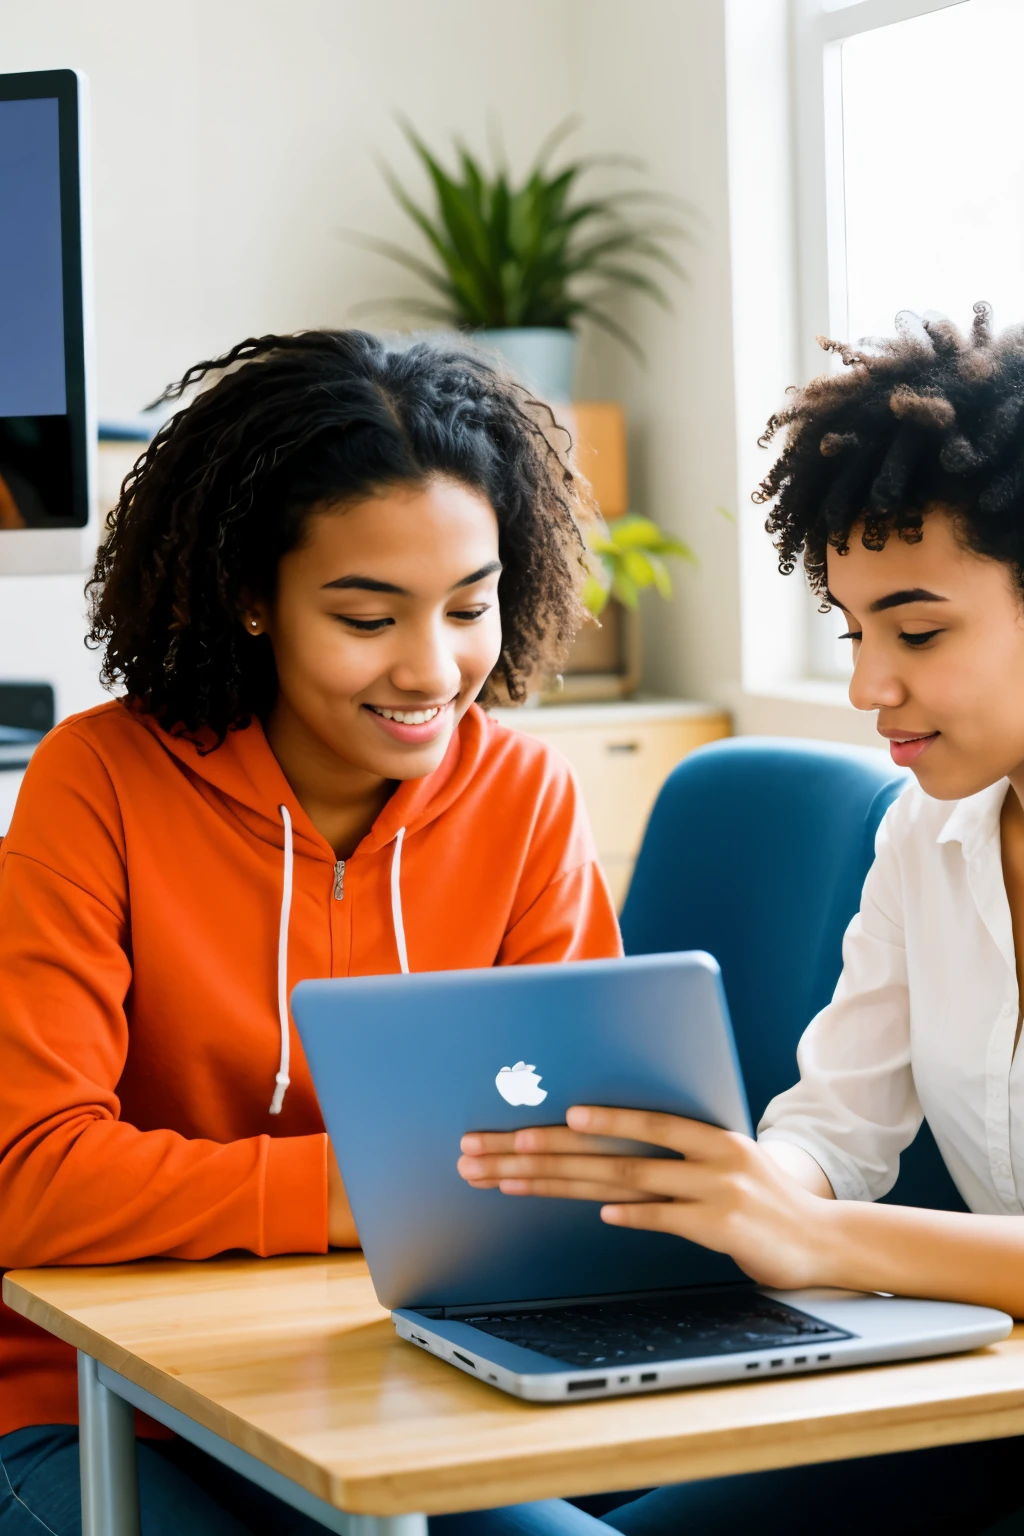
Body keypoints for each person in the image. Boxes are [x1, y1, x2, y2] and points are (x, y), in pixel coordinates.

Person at [0, 330, 622, 1535]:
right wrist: (380, 1187)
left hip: (407, 1385)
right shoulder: (99, 782)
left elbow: (578, 1164)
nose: (432, 667)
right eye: (365, 615)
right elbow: (31, 1180)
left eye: (469, 606)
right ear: (249, 597)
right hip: (87, 1406)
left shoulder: (526, 799)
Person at [456, 305, 1024, 1536]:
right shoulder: (925, 834)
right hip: (985, 1404)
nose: (872, 686)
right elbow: (839, 1120)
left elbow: (832, 1216)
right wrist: (734, 1185)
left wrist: (812, 1233)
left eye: (918, 631)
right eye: (854, 630)